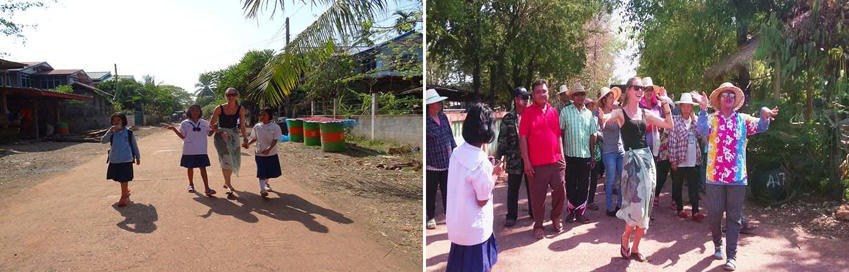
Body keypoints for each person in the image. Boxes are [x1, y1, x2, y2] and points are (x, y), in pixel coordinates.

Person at [695, 82, 778, 271]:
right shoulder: (711, 119)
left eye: (732, 95)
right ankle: (717, 243)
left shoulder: (743, 119)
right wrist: (701, 109)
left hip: (737, 178)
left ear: (735, 100)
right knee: (715, 214)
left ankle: (731, 256)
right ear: (719, 100)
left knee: (734, 218)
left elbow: (761, 126)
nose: (728, 97)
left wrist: (764, 114)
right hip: (714, 177)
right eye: (725, 94)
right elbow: (701, 130)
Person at [599, 77, 673, 262]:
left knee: (646, 208)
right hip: (631, 164)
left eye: (643, 88)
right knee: (636, 208)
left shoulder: (645, 113)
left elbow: (669, 124)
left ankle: (636, 247)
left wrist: (666, 105)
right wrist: (604, 117)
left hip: (647, 163)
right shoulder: (620, 113)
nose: (641, 91)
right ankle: (625, 237)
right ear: (629, 90)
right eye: (637, 88)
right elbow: (608, 118)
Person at [445, 103, 503, 272]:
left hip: (458, 226)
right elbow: (482, 200)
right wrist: (495, 174)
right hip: (475, 231)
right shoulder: (481, 162)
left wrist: (489, 169)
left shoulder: (457, 153)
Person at [519, 79, 566, 239]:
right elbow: (523, 138)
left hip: (556, 161)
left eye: (544, 91)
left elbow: (558, 136)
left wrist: (563, 157)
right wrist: (526, 160)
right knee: (538, 197)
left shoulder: (553, 111)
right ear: (533, 95)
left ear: (548, 93)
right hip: (537, 164)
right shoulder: (528, 113)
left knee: (560, 191)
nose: (541, 94)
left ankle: (556, 217)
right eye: (538, 91)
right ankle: (538, 225)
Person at [559, 82, 598, 223]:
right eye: (577, 94)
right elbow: (560, 134)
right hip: (569, 155)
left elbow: (592, 135)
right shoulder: (565, 112)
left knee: (583, 185)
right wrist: (561, 154)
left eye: (582, 94)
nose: (580, 97)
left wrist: (593, 155)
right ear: (573, 97)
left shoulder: (589, 114)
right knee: (570, 184)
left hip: (585, 156)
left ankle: (580, 213)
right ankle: (571, 211)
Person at [496, 87, 533, 227]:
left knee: (532, 187)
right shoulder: (508, 118)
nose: (527, 100)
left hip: (530, 158)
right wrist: (501, 159)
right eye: (524, 97)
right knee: (513, 188)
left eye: (527, 98)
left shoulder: (531, 115)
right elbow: (502, 139)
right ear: (516, 99)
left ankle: (534, 212)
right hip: (514, 159)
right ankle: (511, 216)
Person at [667, 93, 704, 221]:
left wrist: (696, 119)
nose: (687, 109)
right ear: (680, 107)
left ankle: (695, 211)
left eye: (689, 107)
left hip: (694, 159)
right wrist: (673, 160)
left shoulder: (695, 121)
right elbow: (671, 141)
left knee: (694, 186)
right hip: (680, 159)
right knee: (678, 185)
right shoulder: (675, 120)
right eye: (684, 106)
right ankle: (680, 208)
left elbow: (702, 133)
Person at [166, 105, 217, 196]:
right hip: (189, 149)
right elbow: (183, 136)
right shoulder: (185, 123)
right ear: (189, 112)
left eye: (197, 110)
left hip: (201, 149)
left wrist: (214, 129)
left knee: (203, 168)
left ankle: (207, 188)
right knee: (190, 168)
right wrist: (174, 129)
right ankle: (191, 184)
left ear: (200, 111)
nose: (195, 112)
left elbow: (209, 134)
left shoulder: (204, 122)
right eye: (192, 110)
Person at [641, 77, 675, 209]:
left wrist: (665, 98)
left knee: (651, 177)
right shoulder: (638, 106)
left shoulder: (657, 105)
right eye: (646, 89)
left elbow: (671, 107)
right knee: (642, 177)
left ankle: (647, 209)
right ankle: (641, 208)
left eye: (650, 89)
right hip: (641, 145)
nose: (649, 92)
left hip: (655, 145)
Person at [209, 87, 248, 198]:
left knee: (233, 159)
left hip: (234, 136)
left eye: (233, 94)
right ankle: (229, 184)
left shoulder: (240, 109)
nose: (230, 96)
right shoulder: (219, 108)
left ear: (237, 95)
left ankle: (227, 182)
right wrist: (220, 131)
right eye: (228, 94)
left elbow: (242, 126)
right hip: (221, 138)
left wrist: (245, 138)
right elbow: (211, 124)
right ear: (225, 96)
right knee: (226, 160)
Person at [426, 89, 456, 230]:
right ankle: (430, 217)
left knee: (447, 191)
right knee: (430, 192)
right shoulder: (425, 121)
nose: (439, 104)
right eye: (436, 102)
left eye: (439, 102)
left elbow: (450, 137)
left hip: (447, 162)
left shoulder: (443, 117)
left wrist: (455, 154)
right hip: (431, 164)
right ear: (430, 105)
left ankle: (449, 215)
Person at [101, 112, 141, 207]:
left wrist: (138, 157)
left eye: (118, 120)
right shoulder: (112, 132)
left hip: (126, 159)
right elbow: (103, 141)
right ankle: (126, 190)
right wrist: (110, 132)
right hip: (114, 159)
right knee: (119, 178)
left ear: (123, 121)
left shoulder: (129, 133)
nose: (116, 122)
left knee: (124, 178)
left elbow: (134, 145)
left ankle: (123, 197)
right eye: (114, 120)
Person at [244, 107, 283, 198]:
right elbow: (254, 137)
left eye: (264, 114)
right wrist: (248, 144)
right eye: (260, 114)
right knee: (261, 170)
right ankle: (262, 190)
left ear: (269, 116)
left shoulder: (275, 127)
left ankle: (266, 183)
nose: (261, 116)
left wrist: (269, 149)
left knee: (268, 171)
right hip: (259, 153)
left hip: (271, 153)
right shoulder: (257, 126)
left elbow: (275, 139)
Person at [598, 87, 624, 217]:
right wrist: (605, 119)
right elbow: (601, 128)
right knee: (611, 179)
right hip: (609, 152)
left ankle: (619, 205)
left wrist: (618, 111)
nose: (612, 99)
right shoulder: (601, 113)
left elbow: (622, 126)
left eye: (613, 97)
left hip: (620, 150)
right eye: (610, 97)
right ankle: (609, 207)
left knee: (622, 179)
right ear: (604, 100)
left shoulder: (618, 111)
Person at [586, 97, 603, 211]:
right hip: (583, 152)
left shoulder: (596, 118)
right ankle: (581, 202)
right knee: (583, 179)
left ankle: (590, 201)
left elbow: (600, 132)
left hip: (595, 152)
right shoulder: (581, 118)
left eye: (592, 105)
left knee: (593, 179)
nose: (591, 107)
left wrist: (598, 135)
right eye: (588, 105)